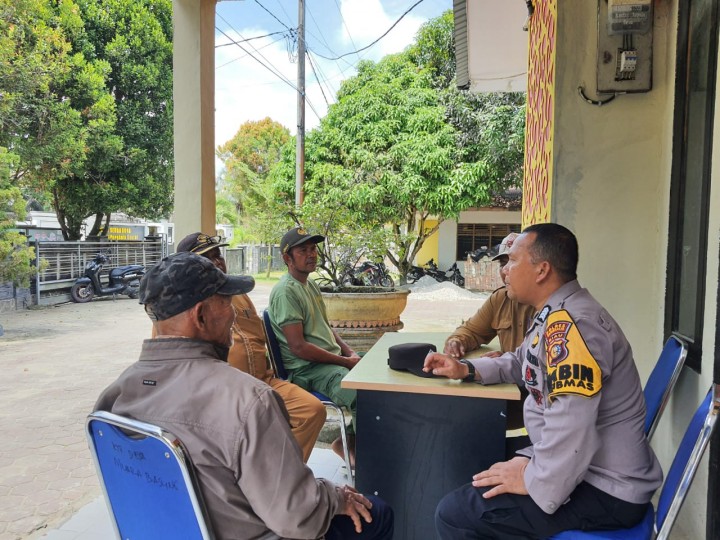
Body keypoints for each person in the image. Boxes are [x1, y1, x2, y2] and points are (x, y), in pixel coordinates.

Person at [95, 252, 393, 540]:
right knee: (378, 513)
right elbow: (298, 517)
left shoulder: (114, 396)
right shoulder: (249, 401)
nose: (234, 314)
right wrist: (334, 496)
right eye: (226, 303)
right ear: (201, 315)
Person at [424, 223, 662, 539]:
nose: (505, 270)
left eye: (512, 261)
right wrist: (466, 369)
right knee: (473, 451)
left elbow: (573, 426)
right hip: (580, 463)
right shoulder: (554, 314)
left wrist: (534, 478)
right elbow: (523, 361)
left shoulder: (574, 326)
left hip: (605, 489)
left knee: (456, 515)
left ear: (542, 270)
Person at [174, 232, 326, 463]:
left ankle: (283, 474)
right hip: (223, 393)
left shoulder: (239, 293)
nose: (217, 262)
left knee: (311, 410)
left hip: (262, 381)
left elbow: (257, 337)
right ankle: (262, 476)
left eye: (218, 255)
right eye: (207, 258)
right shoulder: (183, 308)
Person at [268, 227, 360, 465]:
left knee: (376, 378)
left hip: (330, 361)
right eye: (303, 250)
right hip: (308, 370)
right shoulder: (286, 292)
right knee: (364, 396)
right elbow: (298, 347)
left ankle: (348, 443)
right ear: (287, 258)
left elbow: (327, 328)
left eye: (313, 249)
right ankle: (360, 454)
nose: (311, 255)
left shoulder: (310, 285)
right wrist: (344, 361)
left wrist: (349, 352)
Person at [444, 232, 536, 433]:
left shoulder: (550, 307)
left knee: (463, 419)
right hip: (507, 387)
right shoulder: (501, 299)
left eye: (512, 262)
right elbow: (471, 330)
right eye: (503, 262)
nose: (505, 270)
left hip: (533, 399)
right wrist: (457, 341)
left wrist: (506, 358)